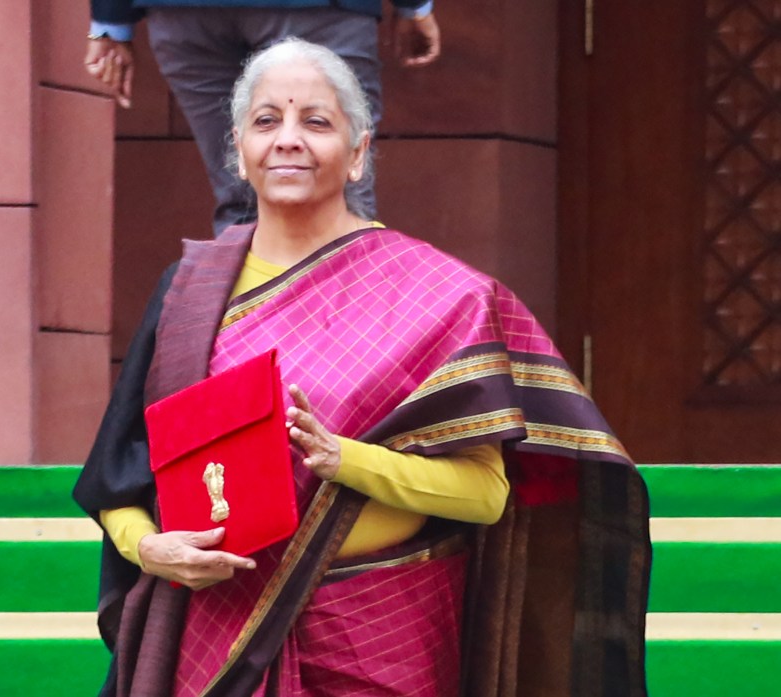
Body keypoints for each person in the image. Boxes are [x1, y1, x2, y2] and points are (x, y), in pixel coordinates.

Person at [74, 38, 651, 697]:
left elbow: (486, 493)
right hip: (214, 626)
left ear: (357, 154)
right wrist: (148, 549)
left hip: (378, 632)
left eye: (316, 121)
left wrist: (343, 459)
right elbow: (120, 476)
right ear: (239, 149)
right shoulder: (189, 292)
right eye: (267, 120)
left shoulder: (439, 296)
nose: (288, 139)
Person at [84, 0, 442, 235]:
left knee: (241, 196)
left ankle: (249, 329)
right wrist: (413, 7)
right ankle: (346, 329)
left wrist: (110, 20)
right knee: (339, 189)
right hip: (320, 11)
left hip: (185, 14)